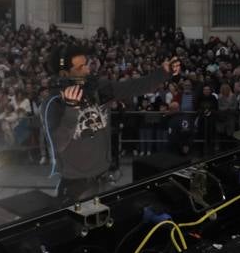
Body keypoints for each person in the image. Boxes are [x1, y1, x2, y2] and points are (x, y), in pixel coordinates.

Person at [42, 42, 181, 202]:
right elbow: (57, 145)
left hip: (104, 178)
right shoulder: (53, 103)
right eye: (80, 68)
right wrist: (71, 111)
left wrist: (163, 72)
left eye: (86, 64)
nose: (87, 70)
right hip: (76, 187)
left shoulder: (99, 88)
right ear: (64, 74)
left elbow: (135, 86)